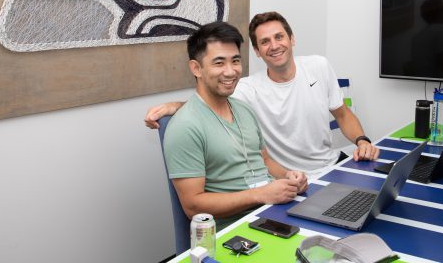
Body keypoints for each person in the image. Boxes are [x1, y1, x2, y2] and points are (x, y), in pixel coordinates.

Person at [147, 12, 380, 178]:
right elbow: (209, 99)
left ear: (292, 39)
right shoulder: (248, 89)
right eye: (265, 42)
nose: (274, 45)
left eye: (279, 37)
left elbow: (342, 114)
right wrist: (174, 106)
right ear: (257, 52)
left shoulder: (319, 66)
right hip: (294, 179)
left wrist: (362, 141)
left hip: (334, 165)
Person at [164, 21, 307, 230]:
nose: (231, 72)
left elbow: (264, 160)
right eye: (219, 63)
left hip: (274, 211)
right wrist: (260, 194)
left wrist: (288, 177)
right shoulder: (185, 126)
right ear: (196, 68)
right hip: (237, 229)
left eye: (236, 61)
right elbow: (193, 206)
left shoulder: (243, 109)